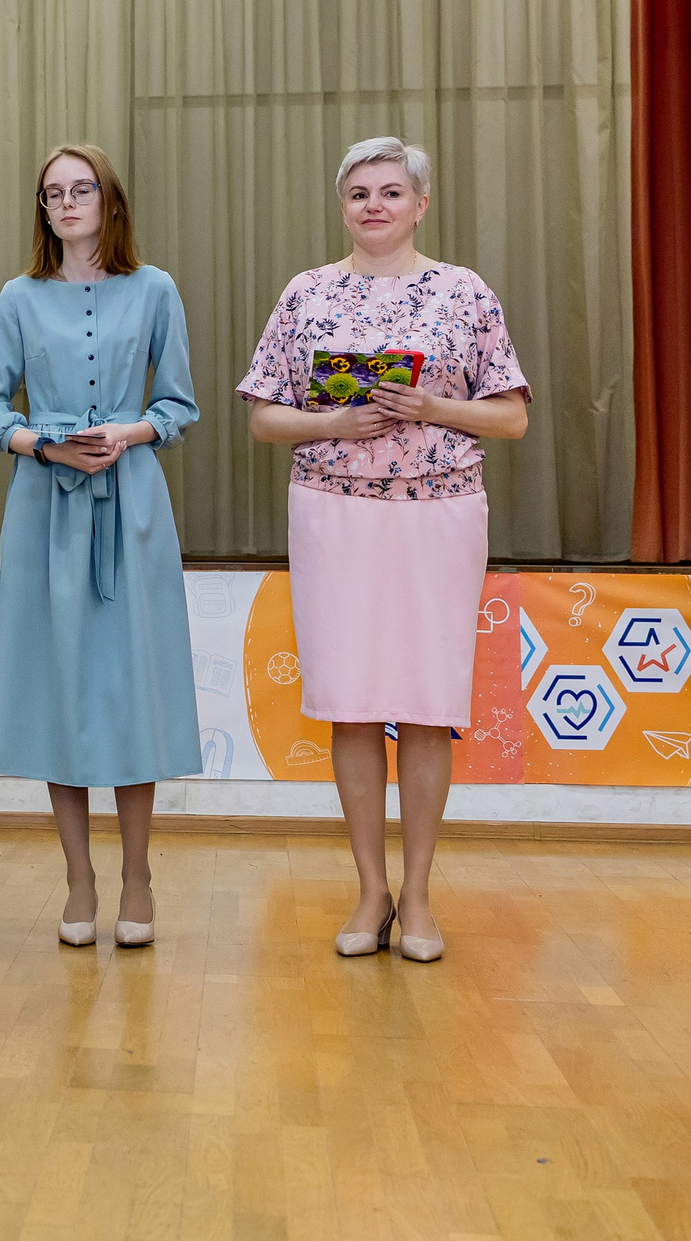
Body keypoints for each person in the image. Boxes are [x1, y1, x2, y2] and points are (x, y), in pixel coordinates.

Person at [239, 137, 527, 964]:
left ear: (421, 204)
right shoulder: (306, 293)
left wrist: (431, 406)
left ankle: (421, 893)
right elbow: (263, 416)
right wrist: (336, 421)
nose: (374, 205)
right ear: (342, 205)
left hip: (439, 515)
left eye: (391, 191)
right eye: (359, 192)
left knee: (430, 704)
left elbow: (511, 416)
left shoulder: (464, 292)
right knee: (354, 702)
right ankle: (372, 890)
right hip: (333, 515)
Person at [0, 144, 202, 950]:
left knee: (132, 688)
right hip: (45, 506)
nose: (67, 202)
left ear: (110, 200)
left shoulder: (156, 288)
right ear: (42, 209)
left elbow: (179, 404)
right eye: (53, 193)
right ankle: (79, 878)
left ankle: (137, 875)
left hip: (132, 502)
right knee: (59, 692)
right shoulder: (18, 297)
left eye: (82, 189)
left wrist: (128, 433)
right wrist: (44, 444)